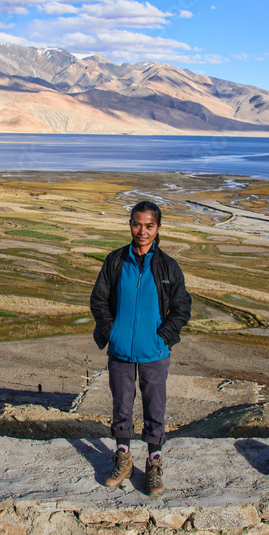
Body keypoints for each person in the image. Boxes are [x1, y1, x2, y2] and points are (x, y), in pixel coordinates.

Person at [89, 200, 192, 496]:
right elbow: (99, 299)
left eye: (149, 225)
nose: (142, 231)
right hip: (120, 351)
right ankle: (123, 458)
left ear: (158, 228)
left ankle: (153, 464)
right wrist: (113, 332)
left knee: (154, 409)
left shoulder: (168, 266)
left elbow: (182, 307)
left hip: (155, 352)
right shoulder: (116, 260)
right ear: (130, 225)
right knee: (121, 407)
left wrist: (162, 337)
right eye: (137, 224)